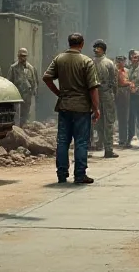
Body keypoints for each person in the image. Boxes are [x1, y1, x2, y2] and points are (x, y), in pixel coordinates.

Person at [43, 33, 101, 184]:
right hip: (82, 107)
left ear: (69, 43)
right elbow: (93, 88)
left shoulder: (59, 59)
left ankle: (62, 174)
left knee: (63, 141)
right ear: (81, 44)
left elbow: (47, 78)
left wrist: (59, 93)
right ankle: (80, 174)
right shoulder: (86, 61)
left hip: (64, 106)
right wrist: (96, 108)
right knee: (81, 142)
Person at [91, 39, 119, 158]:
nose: (96, 49)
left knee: (108, 122)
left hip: (106, 94)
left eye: (98, 47)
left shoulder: (109, 63)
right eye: (95, 47)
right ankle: (96, 144)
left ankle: (108, 149)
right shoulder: (90, 62)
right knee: (94, 122)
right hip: (94, 93)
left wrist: (113, 94)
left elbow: (114, 81)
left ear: (103, 50)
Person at [7, 47, 38, 125]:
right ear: (18, 56)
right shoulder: (13, 67)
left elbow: (34, 80)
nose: (22, 58)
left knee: (26, 113)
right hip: (17, 94)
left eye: (24, 56)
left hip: (27, 95)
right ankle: (16, 128)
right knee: (16, 113)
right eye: (21, 56)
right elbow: (9, 81)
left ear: (26, 56)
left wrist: (34, 91)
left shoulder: (31, 68)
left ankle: (23, 127)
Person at [115, 55, 134, 148]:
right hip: (119, 94)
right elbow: (122, 82)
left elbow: (131, 80)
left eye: (122, 61)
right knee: (121, 117)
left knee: (127, 117)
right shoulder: (115, 71)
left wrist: (131, 84)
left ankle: (126, 139)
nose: (120, 63)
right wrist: (130, 83)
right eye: (119, 61)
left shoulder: (127, 71)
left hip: (127, 94)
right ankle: (122, 139)